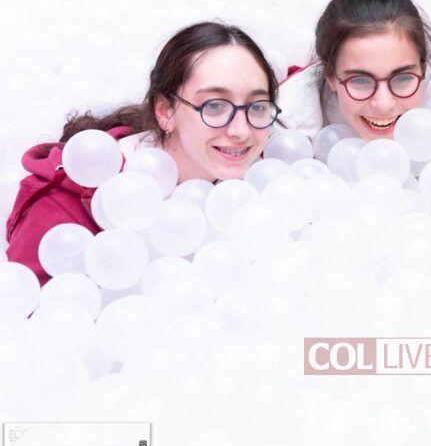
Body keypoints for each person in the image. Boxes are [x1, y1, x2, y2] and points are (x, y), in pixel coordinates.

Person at [5, 21, 282, 284]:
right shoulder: (60, 212)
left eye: (257, 106)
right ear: (165, 111)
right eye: (214, 106)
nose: (241, 131)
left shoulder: (264, 172)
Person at [281, 0, 431, 141]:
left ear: (423, 70)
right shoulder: (287, 129)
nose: (383, 104)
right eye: (360, 81)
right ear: (330, 76)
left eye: (402, 78)